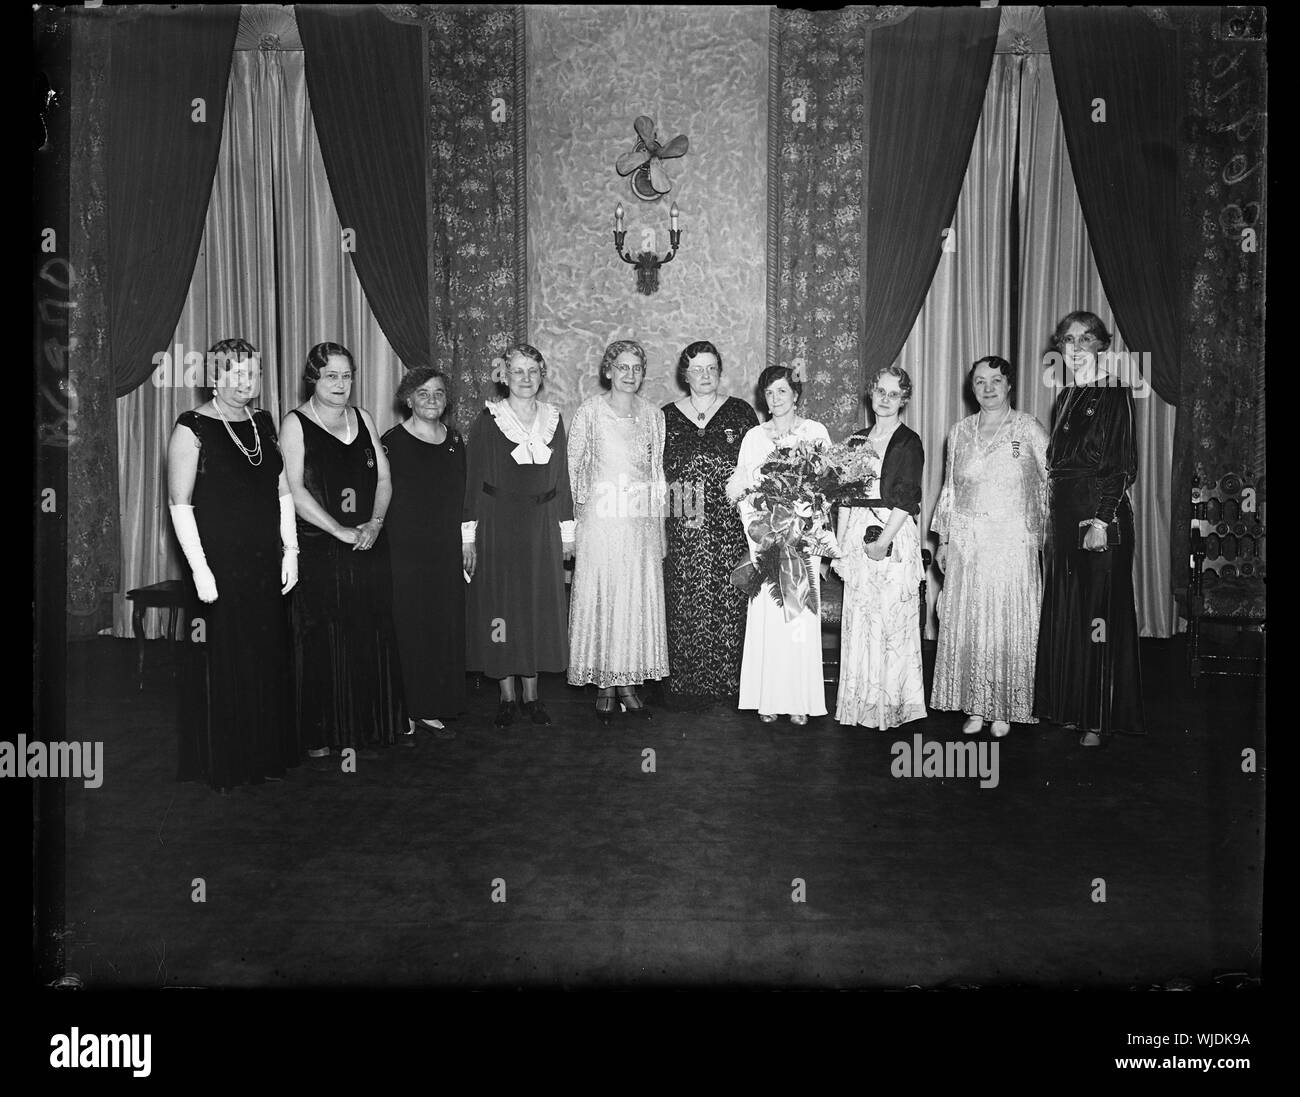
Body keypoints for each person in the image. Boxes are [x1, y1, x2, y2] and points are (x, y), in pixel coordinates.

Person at [167, 338, 298, 793]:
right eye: (236, 374)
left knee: (265, 656)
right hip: (218, 564)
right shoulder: (192, 427)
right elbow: (179, 504)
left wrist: (292, 551)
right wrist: (201, 571)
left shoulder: (262, 422)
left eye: (254, 374)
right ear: (214, 377)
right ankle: (224, 761)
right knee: (223, 660)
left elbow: (281, 491)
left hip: (264, 562)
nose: (248, 383)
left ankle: (264, 754)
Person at [280, 342, 406, 757]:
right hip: (320, 548)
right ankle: (320, 733)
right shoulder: (295, 423)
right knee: (323, 641)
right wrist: (338, 529)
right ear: (313, 378)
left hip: (369, 542)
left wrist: (374, 522)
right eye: (331, 375)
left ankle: (367, 725)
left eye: (347, 375)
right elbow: (293, 491)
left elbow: (384, 481)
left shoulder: (364, 418)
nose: (341, 384)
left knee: (368, 634)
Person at [1035, 311, 1145, 746]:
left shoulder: (1116, 392)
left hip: (1101, 518)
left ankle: (1096, 720)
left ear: (1102, 345)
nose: (1074, 349)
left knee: (1098, 616)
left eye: (1084, 340)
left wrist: (1100, 521)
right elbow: (1055, 466)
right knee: (1070, 614)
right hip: (1065, 519)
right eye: (1067, 341)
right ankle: (1069, 709)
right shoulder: (1065, 396)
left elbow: (1122, 465)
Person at [930, 356, 1050, 738]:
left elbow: (1053, 480)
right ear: (972, 387)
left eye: (996, 380)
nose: (988, 388)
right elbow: (949, 490)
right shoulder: (960, 431)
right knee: (972, 625)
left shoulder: (1028, 428)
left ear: (1009, 384)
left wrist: (1043, 532)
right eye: (980, 381)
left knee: (1004, 625)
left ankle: (1004, 709)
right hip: (968, 542)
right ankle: (976, 706)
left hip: (1012, 541)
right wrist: (945, 539)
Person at [463, 344, 574, 728]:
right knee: (502, 608)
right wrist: (468, 536)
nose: (526, 379)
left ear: (542, 375)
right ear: (505, 376)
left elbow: (562, 479)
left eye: (533, 371)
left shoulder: (554, 419)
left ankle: (533, 693)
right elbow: (472, 481)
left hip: (541, 525)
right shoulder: (488, 419)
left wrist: (567, 531)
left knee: (537, 605)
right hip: (498, 523)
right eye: (518, 371)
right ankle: (506, 694)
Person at [567, 339, 670, 725]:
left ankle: (627, 684)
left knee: (632, 601)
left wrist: (658, 526)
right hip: (601, 523)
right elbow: (573, 466)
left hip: (639, 524)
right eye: (622, 367)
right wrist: (579, 522)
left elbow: (657, 474)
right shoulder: (589, 412)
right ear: (608, 370)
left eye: (636, 368)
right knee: (604, 598)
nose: (629, 375)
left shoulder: (653, 415)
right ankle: (605, 687)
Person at [728, 364, 830, 725]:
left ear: (796, 394)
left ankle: (799, 700)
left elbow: (825, 490)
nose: (775, 399)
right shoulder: (754, 437)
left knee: (799, 618)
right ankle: (767, 698)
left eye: (782, 391)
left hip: (802, 539)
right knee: (769, 620)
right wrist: (760, 531)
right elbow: (741, 490)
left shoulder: (815, 433)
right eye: (769, 393)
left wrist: (802, 524)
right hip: (766, 539)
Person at [661, 340, 758, 706]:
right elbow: (655, 475)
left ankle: (731, 683)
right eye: (697, 369)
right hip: (683, 526)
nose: (705, 376)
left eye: (711, 369)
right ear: (684, 375)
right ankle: (684, 684)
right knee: (684, 600)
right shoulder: (666, 416)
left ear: (720, 372)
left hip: (730, 526)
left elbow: (755, 471)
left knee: (730, 600)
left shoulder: (740, 413)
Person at [832, 364, 927, 730]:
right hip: (857, 535)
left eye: (893, 394)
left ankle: (892, 707)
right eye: (880, 392)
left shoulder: (909, 441)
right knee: (863, 622)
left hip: (892, 533)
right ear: (870, 395)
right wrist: (840, 547)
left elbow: (907, 500)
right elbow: (843, 498)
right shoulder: (855, 441)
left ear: (903, 399)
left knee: (890, 624)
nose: (885, 400)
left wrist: (883, 542)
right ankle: (863, 705)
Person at [381, 367, 465, 740]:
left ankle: (432, 705)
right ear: (408, 399)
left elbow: (465, 498)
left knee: (441, 626)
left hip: (445, 550)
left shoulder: (456, 441)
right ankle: (406, 709)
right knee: (408, 628)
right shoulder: (391, 442)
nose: (432, 399)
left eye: (439, 393)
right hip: (404, 550)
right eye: (423, 393)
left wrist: (466, 540)